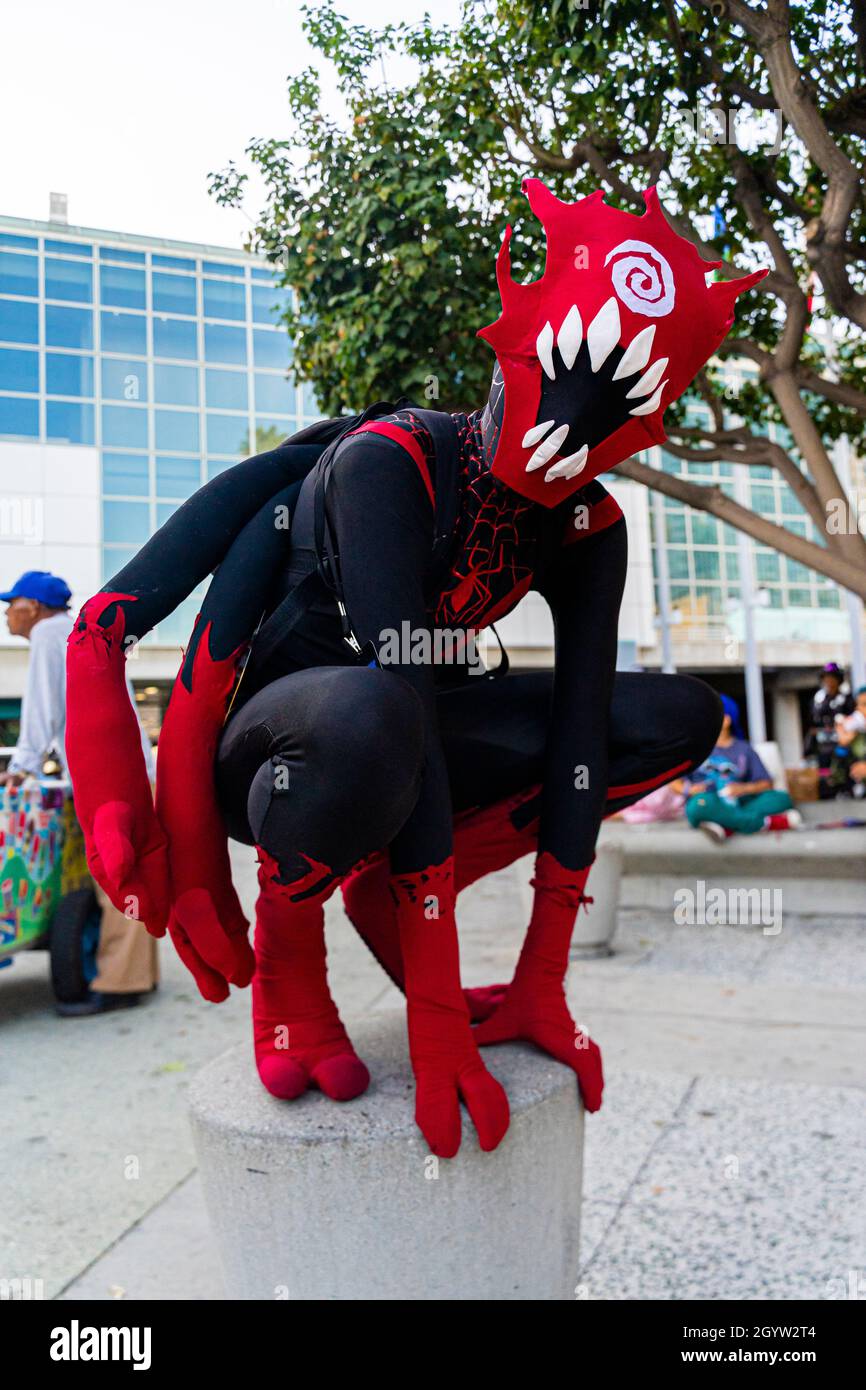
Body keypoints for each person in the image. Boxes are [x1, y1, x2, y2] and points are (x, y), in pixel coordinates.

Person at [65, 177, 764, 1157]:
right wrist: (135, 804)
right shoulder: (388, 461)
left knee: (676, 716)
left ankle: (375, 891)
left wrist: (540, 981)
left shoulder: (585, 524)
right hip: (280, 759)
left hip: (402, 733)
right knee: (374, 709)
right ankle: (292, 949)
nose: (562, 442)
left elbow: (575, 739)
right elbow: (109, 625)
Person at [0, 570, 158, 1014]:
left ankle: (121, 984)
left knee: (115, 875)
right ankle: (136, 975)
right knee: (130, 869)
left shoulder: (52, 633)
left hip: (106, 772)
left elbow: (43, 706)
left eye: (11, 605)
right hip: (124, 768)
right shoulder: (79, 631)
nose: (8, 615)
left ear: (33, 607)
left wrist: (21, 767)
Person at [685, 694, 800, 841]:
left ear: (726, 720)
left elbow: (766, 783)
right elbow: (674, 781)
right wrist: (689, 789)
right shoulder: (696, 748)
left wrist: (742, 789)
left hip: (739, 801)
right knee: (697, 807)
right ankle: (768, 823)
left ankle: (726, 826)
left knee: (782, 799)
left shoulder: (744, 749)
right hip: (710, 800)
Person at [804, 662, 855, 793]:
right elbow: (813, 720)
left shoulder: (846, 697)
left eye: (832, 678)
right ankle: (825, 789)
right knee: (823, 766)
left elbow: (850, 718)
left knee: (843, 765)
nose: (829, 682)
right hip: (822, 742)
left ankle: (845, 789)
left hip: (841, 741)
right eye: (826, 678)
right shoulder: (819, 698)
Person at [828, 684, 866, 798]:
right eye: (861, 705)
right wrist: (842, 746)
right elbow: (835, 778)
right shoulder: (856, 736)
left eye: (865, 705)